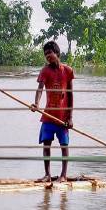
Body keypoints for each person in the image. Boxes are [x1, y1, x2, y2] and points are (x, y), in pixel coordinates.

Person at [30, 41, 74, 183]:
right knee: (46, 144)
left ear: (57, 53)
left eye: (50, 53)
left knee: (64, 146)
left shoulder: (67, 71)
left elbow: (70, 95)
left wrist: (70, 117)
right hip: (48, 116)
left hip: (62, 118)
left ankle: (63, 175)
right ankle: (47, 174)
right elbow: (40, 88)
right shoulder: (45, 71)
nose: (48, 56)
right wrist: (36, 103)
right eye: (45, 54)